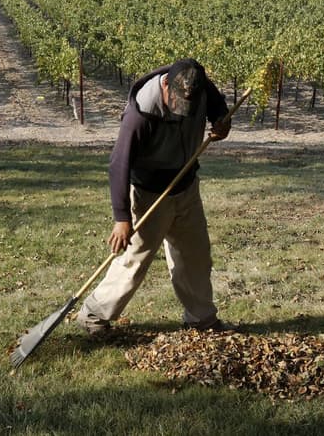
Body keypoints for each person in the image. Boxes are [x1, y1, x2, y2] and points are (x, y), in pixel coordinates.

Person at [76, 58, 234, 334]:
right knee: (135, 258)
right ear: (165, 86)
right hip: (150, 193)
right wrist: (122, 218)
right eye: (176, 101)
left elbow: (218, 106)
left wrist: (222, 123)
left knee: (195, 256)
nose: (183, 109)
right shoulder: (142, 112)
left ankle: (201, 318)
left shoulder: (198, 85)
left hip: (186, 186)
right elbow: (118, 164)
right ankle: (93, 315)